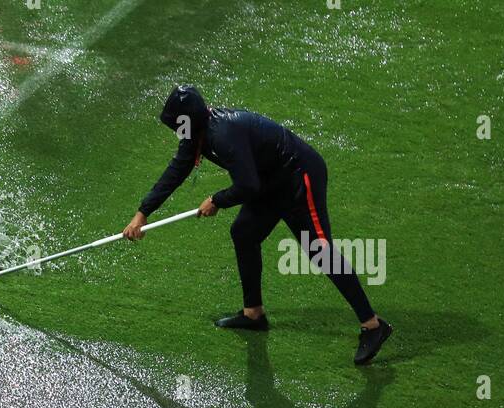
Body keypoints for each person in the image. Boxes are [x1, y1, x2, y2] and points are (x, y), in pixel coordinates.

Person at [123, 85, 393, 365]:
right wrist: (143, 213)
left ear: (188, 121)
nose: (176, 132)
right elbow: (178, 169)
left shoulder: (223, 134)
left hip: (299, 177)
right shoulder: (197, 134)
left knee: (319, 250)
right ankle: (253, 313)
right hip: (270, 180)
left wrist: (217, 200)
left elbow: (247, 186)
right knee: (244, 233)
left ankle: (373, 325)